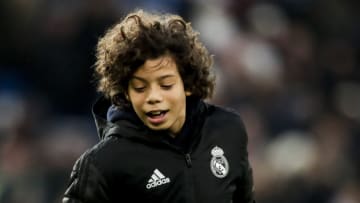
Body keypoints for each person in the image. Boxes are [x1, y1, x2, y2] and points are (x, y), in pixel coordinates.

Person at [62, 9, 255, 203]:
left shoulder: (227, 129)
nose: (153, 97)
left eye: (166, 85)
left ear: (187, 85)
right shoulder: (103, 163)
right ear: (126, 94)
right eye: (140, 88)